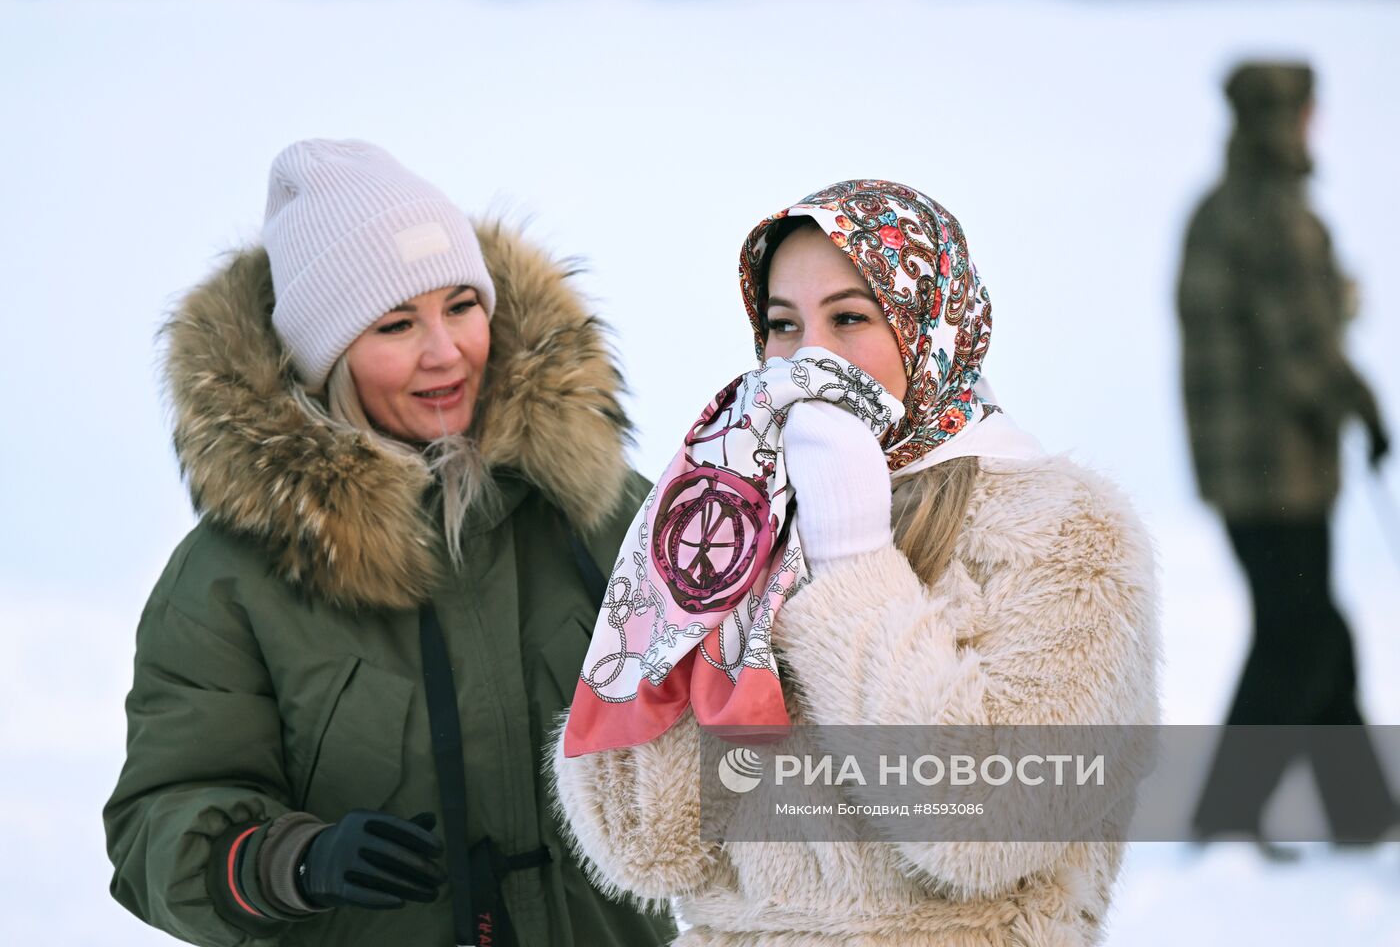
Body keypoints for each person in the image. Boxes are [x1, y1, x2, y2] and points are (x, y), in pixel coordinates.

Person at [551, 180, 1161, 945]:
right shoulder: (749, 518)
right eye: (783, 325)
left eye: (848, 318)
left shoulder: (1068, 535)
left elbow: (984, 828)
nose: (809, 359)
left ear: (929, 329)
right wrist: (669, 592)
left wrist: (851, 563)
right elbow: (645, 843)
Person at [103, 139, 676, 946]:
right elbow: (155, 826)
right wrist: (288, 864)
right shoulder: (231, 580)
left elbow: (761, 716)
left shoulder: (598, 509)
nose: (445, 353)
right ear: (325, 358)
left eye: (462, 306)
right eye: (396, 323)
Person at [1178, 62, 1396, 847]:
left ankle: (1363, 813)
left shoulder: (1219, 209)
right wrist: (1364, 407)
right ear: (1292, 118)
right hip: (1280, 471)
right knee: (1299, 634)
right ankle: (1227, 819)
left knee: (1313, 628)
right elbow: (1299, 347)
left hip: (1242, 469)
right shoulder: (1275, 214)